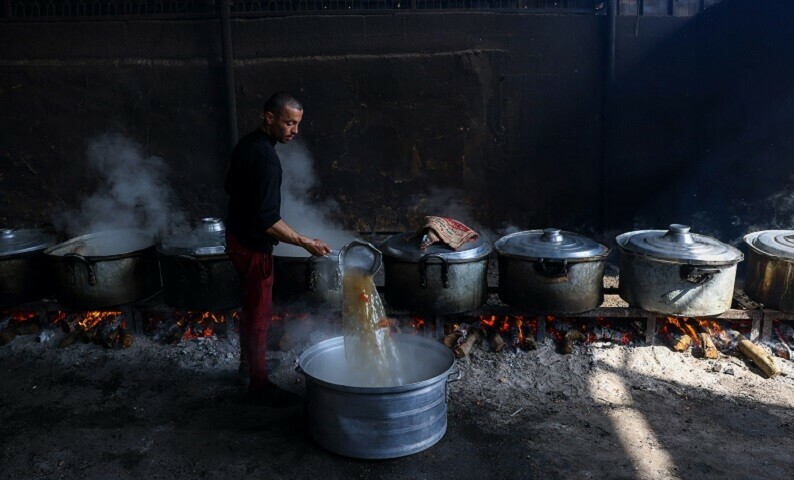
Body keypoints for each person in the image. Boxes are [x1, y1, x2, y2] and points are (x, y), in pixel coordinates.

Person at [224, 92, 332, 407]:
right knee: (260, 315)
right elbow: (268, 220)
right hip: (253, 247)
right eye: (289, 122)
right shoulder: (267, 161)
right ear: (268, 117)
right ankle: (258, 384)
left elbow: (230, 187)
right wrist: (306, 242)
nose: (294, 130)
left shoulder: (246, 144)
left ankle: (248, 364)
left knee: (249, 307)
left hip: (235, 239)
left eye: (297, 123)